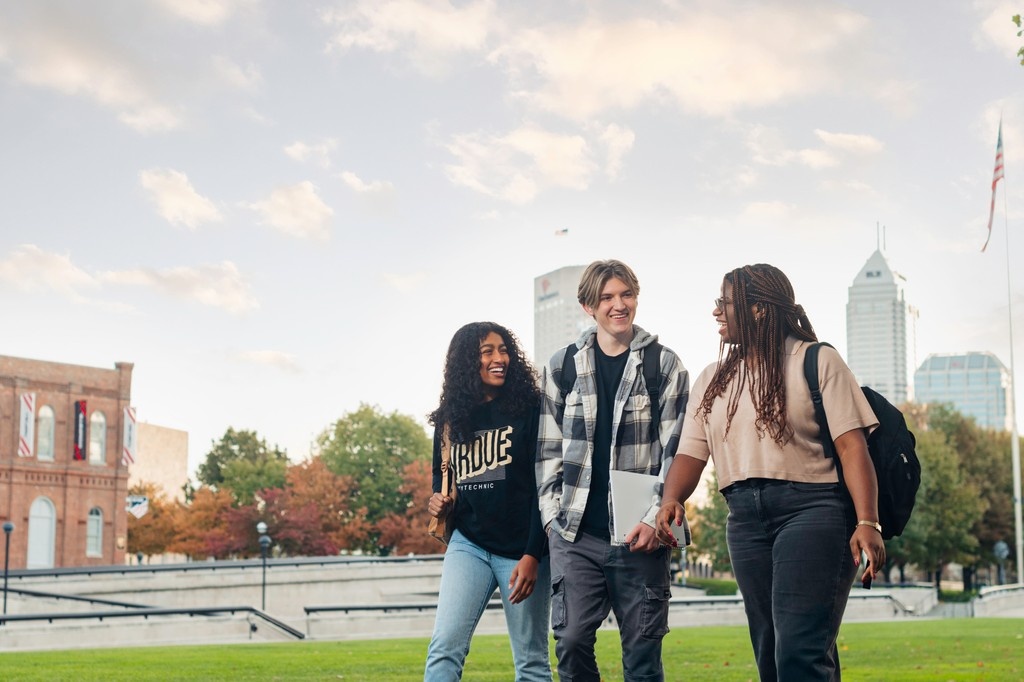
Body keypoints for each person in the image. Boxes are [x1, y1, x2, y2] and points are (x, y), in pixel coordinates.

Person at [656, 263, 885, 681]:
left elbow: (852, 446)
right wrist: (672, 498)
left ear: (759, 309)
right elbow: (691, 452)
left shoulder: (816, 360)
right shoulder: (713, 379)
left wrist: (868, 521)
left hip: (813, 511)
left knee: (799, 648)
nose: (716, 312)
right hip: (744, 518)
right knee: (771, 648)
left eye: (725, 303)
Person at [537, 259, 689, 682]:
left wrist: (651, 518)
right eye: (606, 297)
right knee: (569, 643)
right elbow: (547, 450)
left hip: (639, 536)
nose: (618, 305)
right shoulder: (561, 366)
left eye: (626, 294)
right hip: (575, 536)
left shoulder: (664, 366)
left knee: (642, 661)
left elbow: (676, 453)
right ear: (588, 306)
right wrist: (552, 519)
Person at [424, 322, 551, 682]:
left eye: (504, 350)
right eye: (488, 352)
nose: (500, 359)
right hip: (469, 543)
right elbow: (441, 470)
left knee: (531, 661)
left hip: (522, 549)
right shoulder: (452, 416)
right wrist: (440, 500)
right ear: (468, 361)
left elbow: (544, 486)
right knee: (445, 646)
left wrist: (532, 554)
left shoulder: (530, 409)